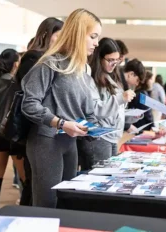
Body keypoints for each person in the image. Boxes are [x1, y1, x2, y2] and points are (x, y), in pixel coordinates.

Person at [21, 8, 101, 208]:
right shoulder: (50, 64)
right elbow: (29, 104)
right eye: (92, 36)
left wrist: (93, 126)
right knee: (47, 204)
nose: (96, 43)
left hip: (69, 142)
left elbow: (85, 109)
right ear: (77, 34)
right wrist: (61, 123)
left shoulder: (82, 70)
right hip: (46, 141)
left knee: (66, 202)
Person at [15, 17, 63, 206]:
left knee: (37, 183)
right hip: (33, 128)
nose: (61, 41)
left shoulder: (53, 59)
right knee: (34, 185)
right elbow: (32, 97)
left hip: (45, 126)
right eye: (58, 36)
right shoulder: (35, 58)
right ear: (46, 35)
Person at [77, 37, 135, 171]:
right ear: (99, 58)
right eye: (110, 60)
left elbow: (115, 106)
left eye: (117, 60)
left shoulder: (111, 77)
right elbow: (95, 110)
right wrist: (121, 99)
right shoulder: (90, 78)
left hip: (112, 136)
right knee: (97, 180)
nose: (114, 64)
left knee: (107, 178)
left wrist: (128, 112)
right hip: (99, 137)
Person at [0, 49, 26, 213]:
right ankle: (25, 210)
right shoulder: (17, 84)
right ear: (16, 64)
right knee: (25, 177)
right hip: (13, 135)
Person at [121, 58, 146, 133]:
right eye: (137, 80)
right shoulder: (116, 85)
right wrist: (127, 125)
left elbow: (120, 111)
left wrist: (134, 114)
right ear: (131, 74)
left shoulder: (124, 86)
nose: (137, 84)